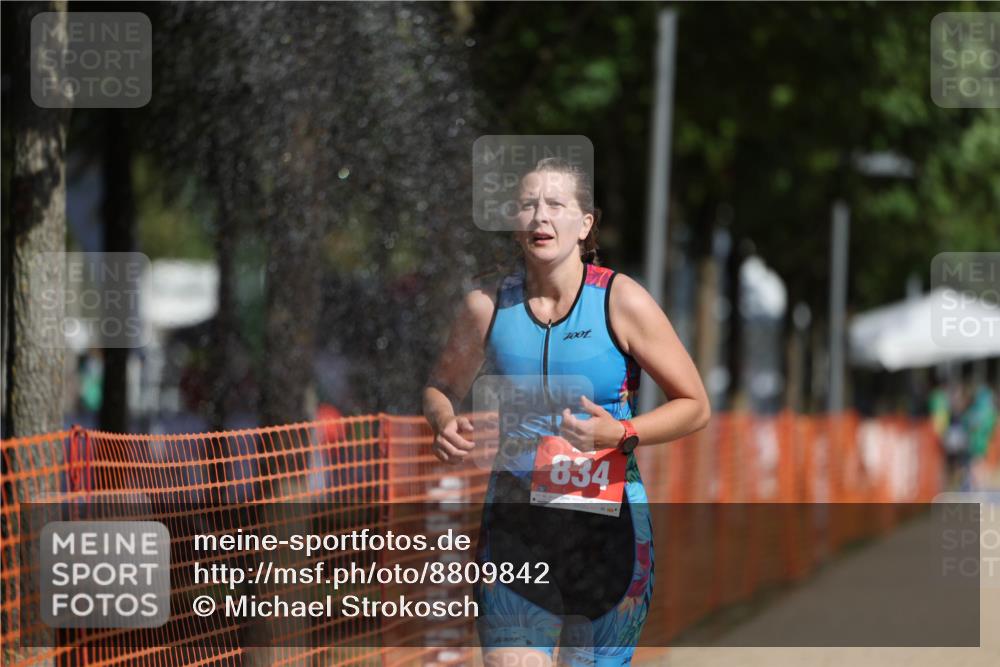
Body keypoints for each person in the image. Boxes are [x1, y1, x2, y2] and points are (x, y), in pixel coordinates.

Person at [422, 157, 710, 666]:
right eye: (529, 205)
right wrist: (443, 421)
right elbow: (440, 386)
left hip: (608, 526)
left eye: (556, 205)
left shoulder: (621, 301)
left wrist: (620, 432)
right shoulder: (487, 307)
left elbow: (694, 406)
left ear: (585, 224)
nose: (540, 217)